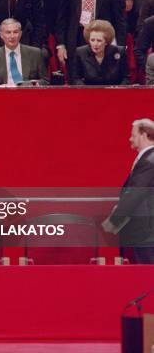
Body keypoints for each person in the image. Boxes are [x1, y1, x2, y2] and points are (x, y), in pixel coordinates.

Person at [102, 119, 154, 264]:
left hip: (145, 236)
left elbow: (134, 194)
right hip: (145, 236)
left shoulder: (150, 160)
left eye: (133, 135)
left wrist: (112, 222)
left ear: (144, 135)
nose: (130, 139)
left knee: (145, 281)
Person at [0, 18, 48, 86]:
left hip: (28, 94)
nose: (12, 36)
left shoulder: (35, 53)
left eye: (15, 32)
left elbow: (45, 81)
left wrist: (33, 84)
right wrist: (1, 87)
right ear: (1, 35)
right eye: (8, 32)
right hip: (3, 95)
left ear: (20, 34)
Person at [73, 19, 129, 85]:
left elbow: (126, 78)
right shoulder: (80, 52)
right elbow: (76, 78)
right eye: (92, 40)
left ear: (106, 41)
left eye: (99, 40)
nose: (95, 44)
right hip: (90, 93)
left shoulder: (119, 52)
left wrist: (118, 91)